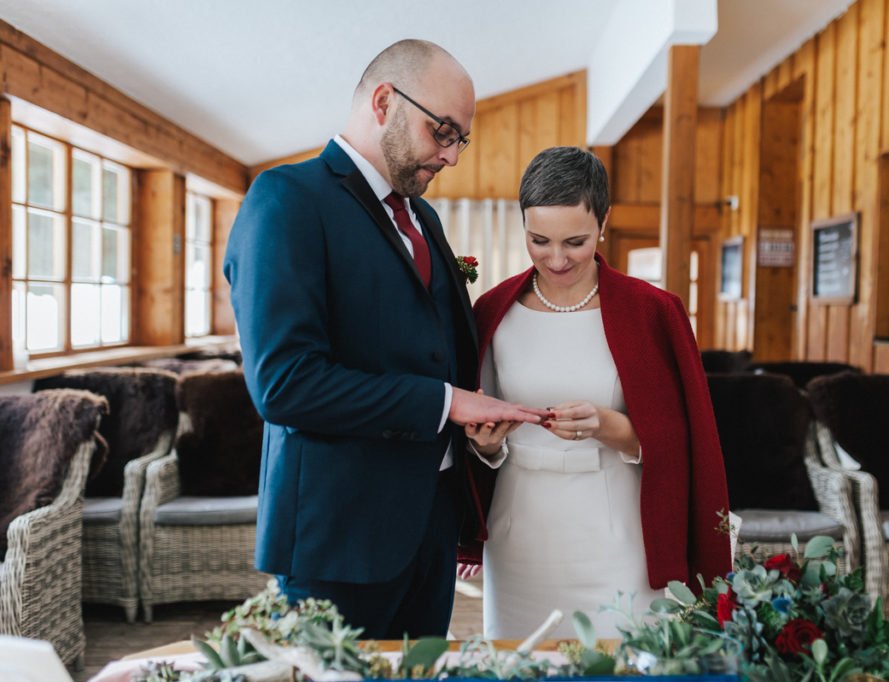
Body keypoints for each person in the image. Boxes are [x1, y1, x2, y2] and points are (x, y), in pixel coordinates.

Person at [223, 39, 544, 639]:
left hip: (428, 530)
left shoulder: (424, 219)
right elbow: (284, 384)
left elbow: (437, 343)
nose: (451, 157)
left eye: (460, 140)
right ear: (382, 101)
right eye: (442, 131)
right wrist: (445, 402)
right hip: (337, 541)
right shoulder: (288, 199)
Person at [456, 146, 732, 638]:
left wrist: (607, 425)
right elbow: (482, 432)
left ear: (604, 221)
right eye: (538, 240)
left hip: (619, 532)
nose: (556, 259)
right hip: (521, 531)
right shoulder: (493, 309)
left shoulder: (655, 312)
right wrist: (487, 443)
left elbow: (686, 442)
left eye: (575, 241)